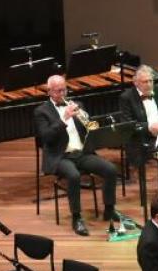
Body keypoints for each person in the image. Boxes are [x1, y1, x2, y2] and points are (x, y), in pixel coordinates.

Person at [33, 75, 121, 236]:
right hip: (60, 156)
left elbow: (88, 128)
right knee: (73, 176)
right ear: (49, 92)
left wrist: (84, 118)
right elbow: (46, 137)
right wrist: (64, 119)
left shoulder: (77, 105)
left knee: (110, 169)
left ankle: (109, 209)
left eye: (64, 89)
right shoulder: (41, 111)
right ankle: (77, 217)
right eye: (58, 91)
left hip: (82, 153)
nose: (62, 93)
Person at [118, 64, 158, 187]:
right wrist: (149, 127)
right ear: (136, 83)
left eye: (151, 81)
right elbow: (128, 125)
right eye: (145, 82)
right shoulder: (126, 97)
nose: (149, 84)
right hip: (142, 140)